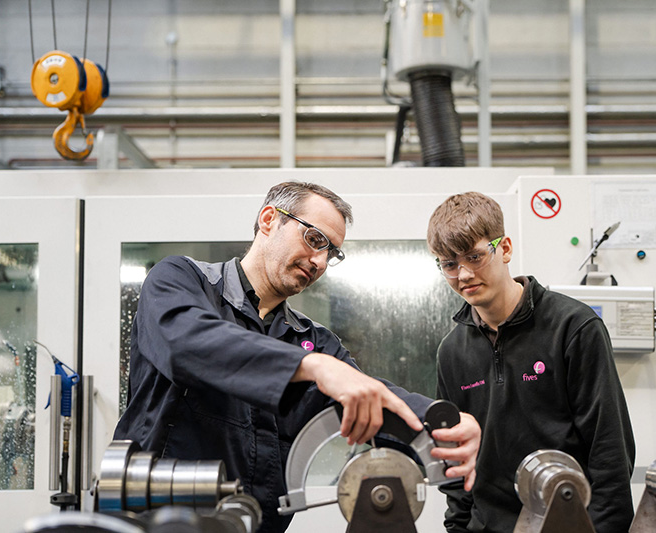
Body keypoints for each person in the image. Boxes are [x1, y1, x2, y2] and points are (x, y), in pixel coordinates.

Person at [114, 181, 480, 533]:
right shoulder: (181, 280)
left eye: (331, 252)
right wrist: (311, 367)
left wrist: (444, 426)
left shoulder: (313, 341)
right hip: (155, 522)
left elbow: (370, 399)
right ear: (269, 219)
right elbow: (187, 343)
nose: (319, 261)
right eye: (315, 239)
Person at [426, 192, 635, 533]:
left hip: (568, 523)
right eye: (449, 264)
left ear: (504, 248)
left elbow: (609, 451)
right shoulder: (452, 352)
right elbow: (456, 457)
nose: (463, 275)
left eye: (474, 257)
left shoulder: (573, 328)